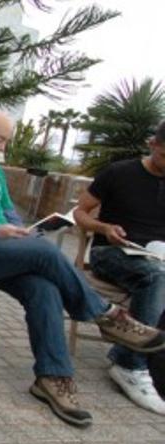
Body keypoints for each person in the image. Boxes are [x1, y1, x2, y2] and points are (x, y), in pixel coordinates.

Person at [0, 111, 165, 426]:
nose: (0, 149)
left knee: (43, 287)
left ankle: (52, 377)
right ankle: (105, 316)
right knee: (46, 254)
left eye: (5, 143)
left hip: (2, 250)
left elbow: (8, 211)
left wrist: (23, 232)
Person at [74, 119, 165, 415]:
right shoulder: (119, 173)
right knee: (156, 277)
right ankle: (130, 364)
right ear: (152, 144)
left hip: (156, 256)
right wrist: (104, 226)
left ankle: (133, 353)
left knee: (157, 272)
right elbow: (79, 212)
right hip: (111, 251)